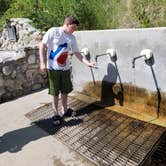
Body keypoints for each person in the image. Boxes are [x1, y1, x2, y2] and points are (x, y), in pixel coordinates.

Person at [39, 16, 95, 126]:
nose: (74, 30)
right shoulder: (53, 32)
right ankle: (55, 113)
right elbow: (42, 45)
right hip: (53, 69)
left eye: (76, 28)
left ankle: (64, 110)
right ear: (67, 24)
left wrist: (87, 62)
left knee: (65, 90)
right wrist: (42, 63)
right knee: (55, 92)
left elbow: (77, 53)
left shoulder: (72, 38)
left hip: (65, 69)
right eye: (73, 27)